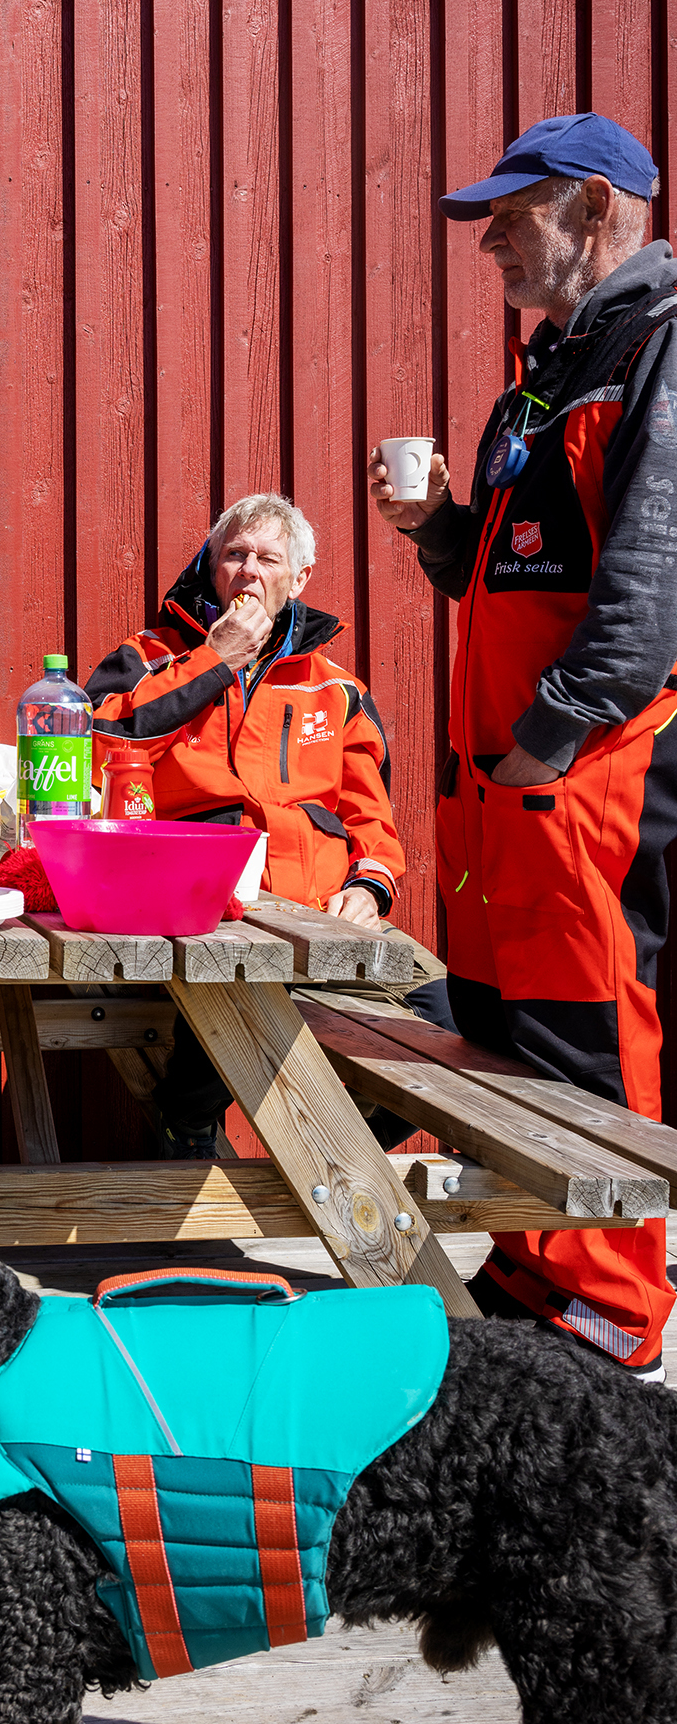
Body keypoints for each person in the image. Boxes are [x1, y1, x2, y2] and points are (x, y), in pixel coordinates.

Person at [371, 111, 677, 1380]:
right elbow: (500, 578)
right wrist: (437, 523)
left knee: (585, 1047)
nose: (488, 235)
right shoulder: (553, 367)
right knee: (502, 1045)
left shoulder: (659, 345)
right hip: (508, 794)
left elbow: (652, 592)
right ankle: (530, 1296)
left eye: (514, 209)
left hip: (582, 786)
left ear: (597, 209)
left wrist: (547, 749)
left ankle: (613, 1340)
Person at [86, 493, 405, 1152]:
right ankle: (190, 1119)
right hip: (196, 907)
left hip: (312, 906)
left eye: (267, 558)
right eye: (233, 554)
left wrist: (370, 886)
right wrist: (214, 659)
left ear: (298, 578)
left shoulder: (332, 685)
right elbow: (98, 740)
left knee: (440, 1026)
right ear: (210, 566)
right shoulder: (150, 654)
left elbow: (367, 810)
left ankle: (333, 1154)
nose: (248, 570)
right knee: (239, 985)